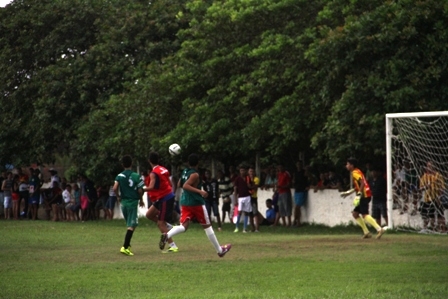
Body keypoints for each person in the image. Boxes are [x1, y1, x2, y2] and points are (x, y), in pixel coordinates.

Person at [159, 153, 231, 258]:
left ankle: (167, 235)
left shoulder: (185, 171)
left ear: (188, 163)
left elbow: (179, 184)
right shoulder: (195, 174)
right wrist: (200, 192)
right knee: (207, 226)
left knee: (184, 226)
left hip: (185, 202)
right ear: (198, 163)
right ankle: (220, 250)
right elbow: (185, 185)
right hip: (196, 202)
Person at [340, 158, 385, 239]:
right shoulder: (357, 171)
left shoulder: (354, 172)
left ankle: (379, 229)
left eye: (348, 164)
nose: (346, 166)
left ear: (352, 165)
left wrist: (359, 194)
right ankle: (366, 232)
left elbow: (362, 183)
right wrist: (349, 192)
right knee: (355, 213)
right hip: (365, 195)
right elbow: (358, 185)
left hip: (364, 195)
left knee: (364, 215)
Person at [144, 152, 179, 253]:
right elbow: (169, 183)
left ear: (149, 161)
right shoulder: (163, 169)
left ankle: (173, 245)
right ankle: (167, 225)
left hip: (164, 198)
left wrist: (141, 189)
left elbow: (151, 187)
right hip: (164, 196)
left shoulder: (153, 173)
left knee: (160, 223)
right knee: (149, 214)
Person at [113, 155, 145, 256]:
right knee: (132, 226)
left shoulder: (119, 176)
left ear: (123, 165)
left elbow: (114, 188)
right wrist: (141, 199)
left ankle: (127, 245)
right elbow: (140, 190)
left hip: (124, 203)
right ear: (132, 163)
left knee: (130, 225)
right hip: (132, 202)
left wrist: (118, 196)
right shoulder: (136, 176)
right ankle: (125, 247)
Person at [419, 161, 446, 233]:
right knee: (429, 216)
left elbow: (442, 187)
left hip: (437, 198)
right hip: (427, 199)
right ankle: (428, 229)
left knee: (440, 214)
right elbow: (420, 188)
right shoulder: (424, 176)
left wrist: (440, 196)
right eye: (428, 166)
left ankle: (443, 230)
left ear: (434, 167)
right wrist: (426, 187)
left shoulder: (438, 175)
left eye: (431, 166)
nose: (430, 168)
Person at [233, 165, 254, 233]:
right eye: (241, 170)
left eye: (244, 170)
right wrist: (235, 199)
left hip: (247, 196)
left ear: (245, 171)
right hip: (240, 197)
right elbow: (235, 190)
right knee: (239, 212)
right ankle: (237, 227)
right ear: (239, 171)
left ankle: (244, 228)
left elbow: (251, 186)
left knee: (246, 212)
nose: (242, 172)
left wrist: (250, 186)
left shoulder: (248, 178)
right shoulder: (237, 179)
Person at [292, 161, 309, 227]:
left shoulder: (304, 172)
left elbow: (310, 178)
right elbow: (293, 180)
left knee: (297, 207)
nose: (299, 166)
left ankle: (296, 221)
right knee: (296, 207)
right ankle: (297, 221)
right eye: (298, 164)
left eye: (300, 164)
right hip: (297, 190)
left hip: (302, 190)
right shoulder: (295, 173)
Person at [247, 166, 260, 232]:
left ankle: (257, 228)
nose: (251, 173)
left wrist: (249, 187)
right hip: (248, 198)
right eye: (250, 171)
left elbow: (255, 187)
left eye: (252, 171)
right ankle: (252, 228)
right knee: (250, 214)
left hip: (253, 197)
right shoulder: (247, 179)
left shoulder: (256, 179)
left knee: (255, 213)